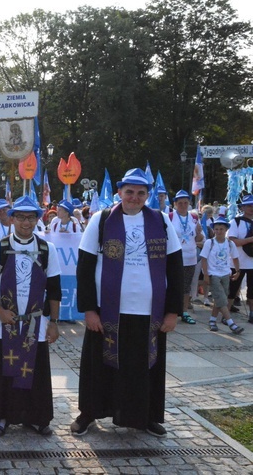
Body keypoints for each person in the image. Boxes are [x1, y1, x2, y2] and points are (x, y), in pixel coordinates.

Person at [71, 168, 183, 438]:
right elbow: (84, 268)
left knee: (145, 368)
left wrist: (173, 312)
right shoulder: (102, 220)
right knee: (98, 367)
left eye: (141, 193)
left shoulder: (161, 221)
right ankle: (89, 413)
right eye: (129, 192)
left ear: (148, 195)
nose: (134, 197)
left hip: (148, 312)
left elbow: (175, 267)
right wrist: (88, 309)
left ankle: (146, 416)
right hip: (107, 311)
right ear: (119, 192)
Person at [0, 196, 62, 437]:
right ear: (12, 218)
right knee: (4, 371)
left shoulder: (48, 249)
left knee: (34, 371)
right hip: (4, 322)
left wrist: (54, 323)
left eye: (31, 217)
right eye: (21, 217)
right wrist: (0, 311)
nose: (26, 223)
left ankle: (36, 417)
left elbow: (54, 289)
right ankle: (1, 416)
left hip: (36, 323)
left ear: (38, 219)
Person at [200, 217, 244, 334]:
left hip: (225, 274)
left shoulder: (230, 244)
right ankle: (231, 323)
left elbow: (235, 258)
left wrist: (237, 271)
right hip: (213, 274)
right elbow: (203, 259)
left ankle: (212, 320)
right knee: (222, 299)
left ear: (226, 230)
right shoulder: (210, 242)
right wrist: (206, 274)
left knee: (220, 299)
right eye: (217, 229)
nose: (219, 231)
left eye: (221, 229)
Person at [169, 190, 204, 325]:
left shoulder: (194, 217)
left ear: (189, 203)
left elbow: (200, 239)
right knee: (172, 284)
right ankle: (170, 310)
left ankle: (184, 311)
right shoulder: (170, 216)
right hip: (175, 257)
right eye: (180, 203)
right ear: (175, 204)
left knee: (186, 286)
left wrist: (199, 233)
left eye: (185, 202)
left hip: (190, 256)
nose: (183, 205)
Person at [227, 195, 253, 323]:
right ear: (242, 207)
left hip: (252, 262)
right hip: (237, 262)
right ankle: (226, 315)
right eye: (249, 205)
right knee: (232, 289)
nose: (251, 208)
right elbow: (232, 241)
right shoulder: (235, 222)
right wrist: (250, 240)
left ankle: (252, 314)